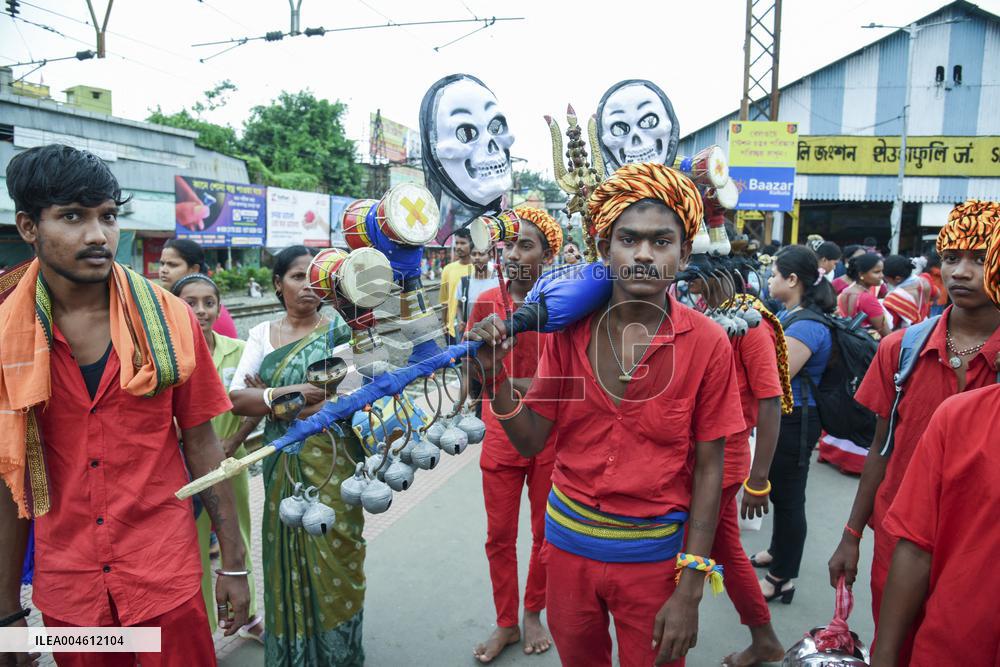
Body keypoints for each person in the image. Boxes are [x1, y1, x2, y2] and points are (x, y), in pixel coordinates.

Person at [468, 163, 745, 666]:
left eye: (662, 241)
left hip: (655, 563)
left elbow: (710, 467)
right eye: (628, 239)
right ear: (604, 250)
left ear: (684, 253)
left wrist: (691, 588)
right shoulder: (569, 333)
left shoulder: (708, 344)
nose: (643, 254)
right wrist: (494, 379)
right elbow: (531, 440)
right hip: (568, 554)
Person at [0, 145, 249, 667]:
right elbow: (9, 475)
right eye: (73, 216)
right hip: (71, 587)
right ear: (28, 226)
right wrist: (6, 613)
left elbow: (200, 442)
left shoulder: (171, 319)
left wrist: (233, 563)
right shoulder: (6, 332)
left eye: (108, 217)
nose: (98, 235)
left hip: (165, 572)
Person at [829, 199, 1000, 665]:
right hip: (899, 541)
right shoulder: (901, 349)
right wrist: (851, 535)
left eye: (980, 259)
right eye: (951, 258)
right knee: (895, 647)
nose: (961, 272)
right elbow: (881, 448)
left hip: (978, 553)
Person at [229, 246, 364, 667]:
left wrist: (268, 396)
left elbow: (347, 398)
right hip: (282, 465)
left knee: (338, 552)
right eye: (296, 276)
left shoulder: (340, 332)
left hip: (334, 461)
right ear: (277, 284)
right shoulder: (261, 335)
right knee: (285, 550)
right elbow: (237, 399)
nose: (308, 285)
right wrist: (297, 397)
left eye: (315, 277)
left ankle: (339, 655)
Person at [467, 207, 562, 663]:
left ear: (548, 253)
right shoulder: (486, 301)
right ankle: (506, 620)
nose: (513, 255)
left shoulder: (565, 306)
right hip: (501, 434)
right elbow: (474, 376)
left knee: (546, 534)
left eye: (526, 245)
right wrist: (483, 377)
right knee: (499, 535)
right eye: (508, 245)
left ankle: (533, 611)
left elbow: (578, 381)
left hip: (550, 437)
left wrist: (521, 385)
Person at [687, 265, 791, 667]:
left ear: (715, 269)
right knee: (724, 549)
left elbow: (770, 402)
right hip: (695, 454)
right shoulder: (703, 310)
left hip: (724, 461)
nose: (684, 279)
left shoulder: (751, 325)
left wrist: (759, 479)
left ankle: (762, 637)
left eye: (692, 271)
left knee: (717, 549)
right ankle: (763, 638)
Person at [172, 274, 265, 644]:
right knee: (191, 550)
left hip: (231, 464)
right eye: (190, 303)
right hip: (183, 473)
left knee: (237, 537)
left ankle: (249, 613)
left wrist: (232, 443)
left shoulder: (238, 350)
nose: (201, 311)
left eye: (209, 302)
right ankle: (206, 628)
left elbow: (258, 401)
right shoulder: (167, 355)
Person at [749, 245, 836, 605]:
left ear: (792, 279)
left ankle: (782, 577)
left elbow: (778, 376)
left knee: (788, 499)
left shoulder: (807, 326)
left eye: (774, 275)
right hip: (788, 417)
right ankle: (776, 551)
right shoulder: (792, 315)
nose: (769, 281)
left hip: (796, 419)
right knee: (784, 492)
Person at [159, 238, 238, 338]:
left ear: (194, 269)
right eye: (162, 264)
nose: (163, 270)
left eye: (173, 265)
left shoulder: (209, 318)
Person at [838, 253, 890, 338]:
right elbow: (885, 332)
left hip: (847, 342)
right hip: (865, 345)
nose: (882, 275)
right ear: (861, 274)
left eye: (882, 271)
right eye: (877, 272)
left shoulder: (845, 292)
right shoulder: (867, 298)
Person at [439, 227, 474, 345]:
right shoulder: (447, 269)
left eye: (463, 243)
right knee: (455, 362)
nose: (458, 246)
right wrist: (444, 324)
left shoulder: (478, 270)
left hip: (474, 329)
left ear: (471, 244)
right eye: (457, 243)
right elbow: (444, 301)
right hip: (452, 329)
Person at [881, 255, 931, 329]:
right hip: (924, 327)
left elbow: (890, 325)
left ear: (897, 279)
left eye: (886, 279)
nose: (885, 281)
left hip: (906, 334)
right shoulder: (924, 281)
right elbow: (937, 295)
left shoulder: (895, 296)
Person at [455, 245, 495, 337]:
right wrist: (460, 320)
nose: (477, 257)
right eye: (474, 254)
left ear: (490, 256)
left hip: (493, 334)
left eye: (481, 254)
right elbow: (459, 306)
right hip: (469, 333)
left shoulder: (498, 281)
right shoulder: (464, 282)